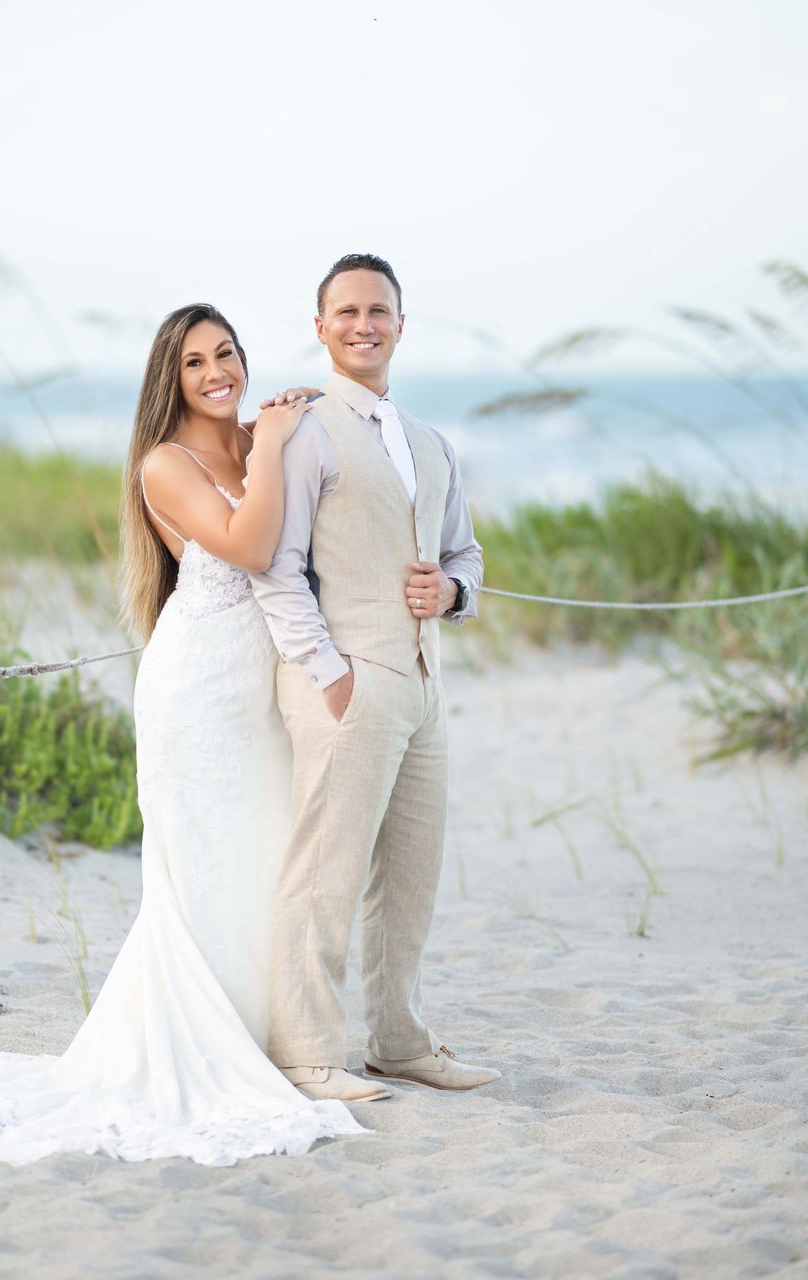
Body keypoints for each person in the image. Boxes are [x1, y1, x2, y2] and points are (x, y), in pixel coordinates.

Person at [0, 304, 363, 1166]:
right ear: (168, 381)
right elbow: (253, 546)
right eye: (194, 363)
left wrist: (292, 433)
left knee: (263, 857)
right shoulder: (165, 463)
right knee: (203, 868)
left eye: (226, 354)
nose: (216, 372)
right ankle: (211, 1046)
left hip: (261, 693)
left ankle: (274, 1033)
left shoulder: (256, 434)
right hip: (197, 696)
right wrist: (279, 441)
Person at [250, 253, 502, 1101]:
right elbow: (276, 569)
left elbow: (465, 553)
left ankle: (399, 1040)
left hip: (423, 686)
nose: (365, 324)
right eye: (347, 311)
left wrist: (454, 589)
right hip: (347, 681)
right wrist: (329, 675)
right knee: (326, 872)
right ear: (320, 327)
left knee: (410, 875)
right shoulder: (304, 430)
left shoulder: (432, 443)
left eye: (380, 311)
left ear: (401, 324)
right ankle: (306, 1053)